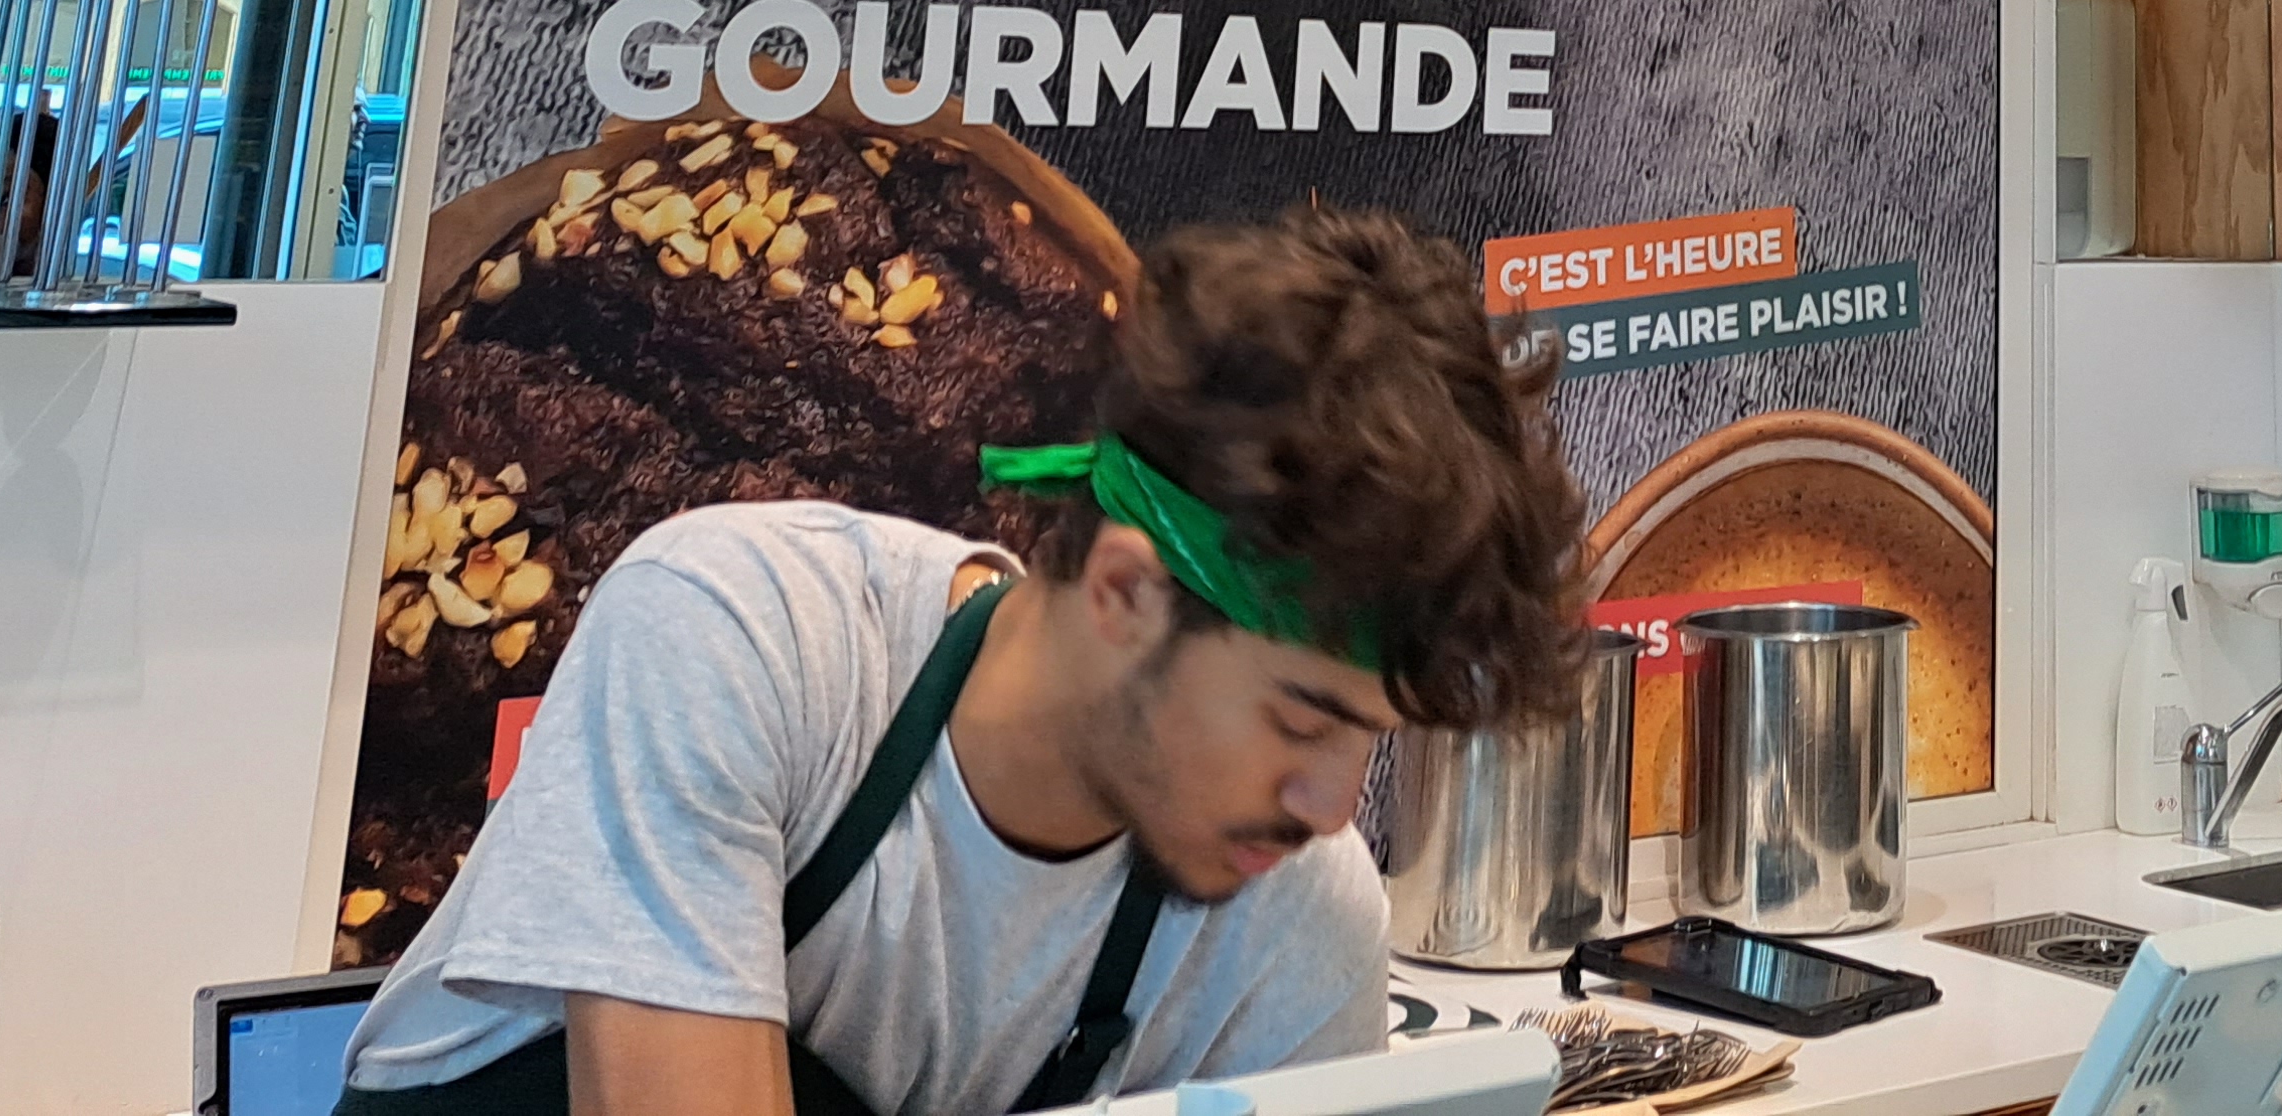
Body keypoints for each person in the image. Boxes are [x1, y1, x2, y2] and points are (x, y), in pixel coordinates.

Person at [340, 207, 1587, 1116]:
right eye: (1304, 720)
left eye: (1373, 738)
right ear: (1128, 592)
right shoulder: (740, 633)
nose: (1330, 807)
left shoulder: (1296, 923)